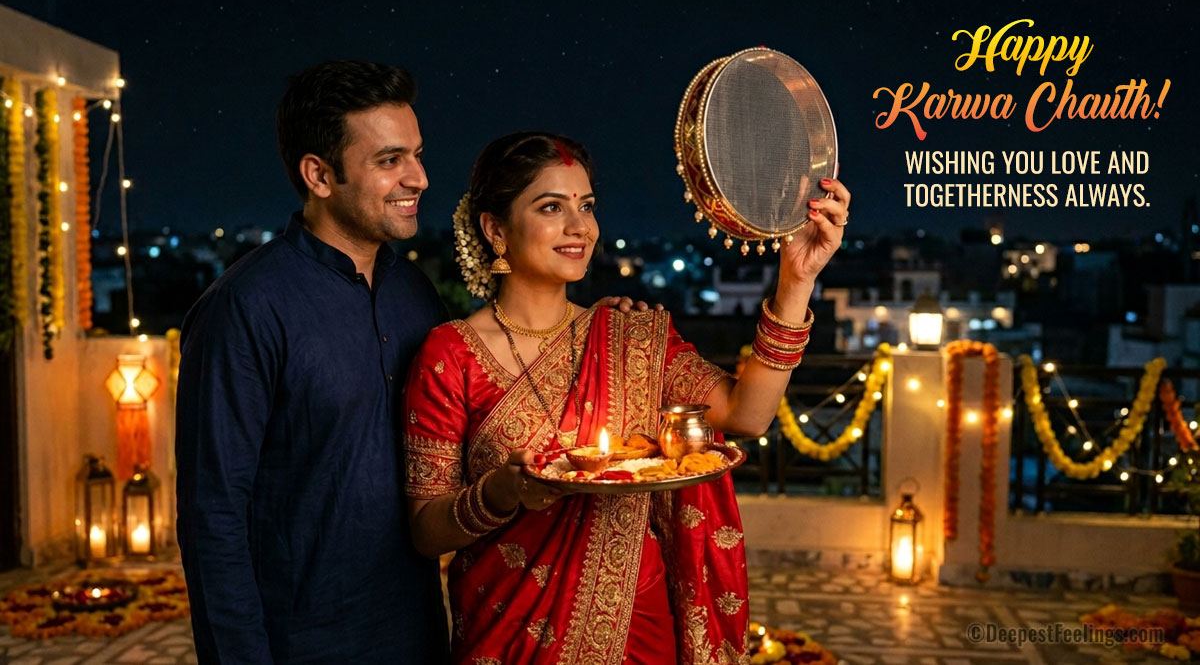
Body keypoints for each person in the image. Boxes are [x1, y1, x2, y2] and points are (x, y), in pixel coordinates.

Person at [404, 132, 848, 663]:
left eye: (587, 206)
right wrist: (500, 493)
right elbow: (426, 531)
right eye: (552, 207)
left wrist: (796, 281)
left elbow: (748, 414)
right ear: (495, 229)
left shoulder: (630, 337)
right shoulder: (450, 354)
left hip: (638, 631)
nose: (580, 227)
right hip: (507, 634)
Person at [174, 60, 449, 663]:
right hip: (301, 644)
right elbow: (213, 517)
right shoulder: (244, 308)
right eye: (390, 160)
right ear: (319, 175)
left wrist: (592, 331)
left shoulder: (416, 295)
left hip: (418, 635)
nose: (420, 178)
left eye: (417, 155)